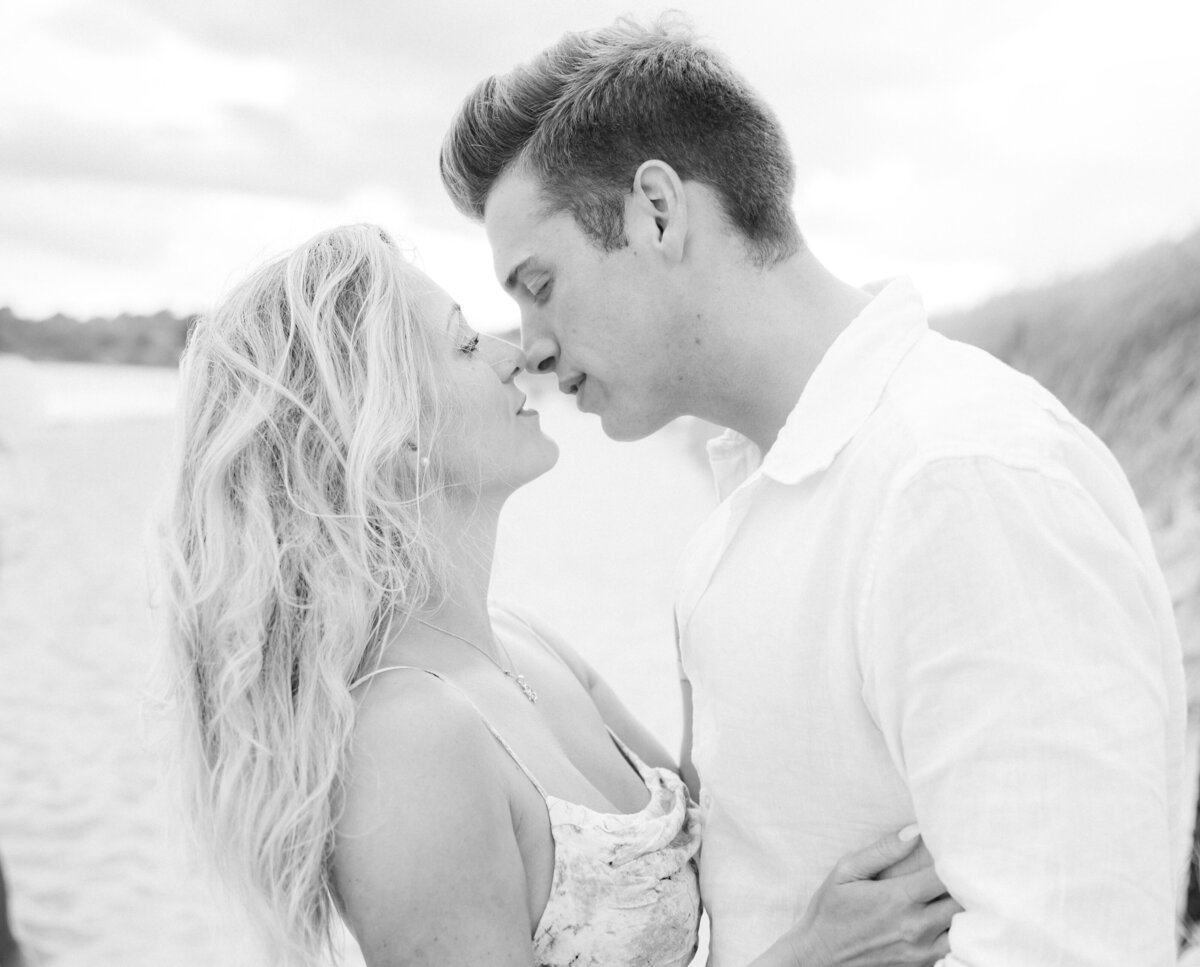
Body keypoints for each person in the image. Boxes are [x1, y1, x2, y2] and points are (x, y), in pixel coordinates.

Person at [439, 16, 1188, 967]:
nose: (530, 343)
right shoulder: (750, 515)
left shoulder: (954, 480)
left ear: (657, 213)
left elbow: (1071, 947)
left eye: (539, 283)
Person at [160, 224, 959, 967]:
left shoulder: (523, 643)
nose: (515, 356)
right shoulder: (406, 745)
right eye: (466, 344)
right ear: (391, 436)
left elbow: (731, 808)